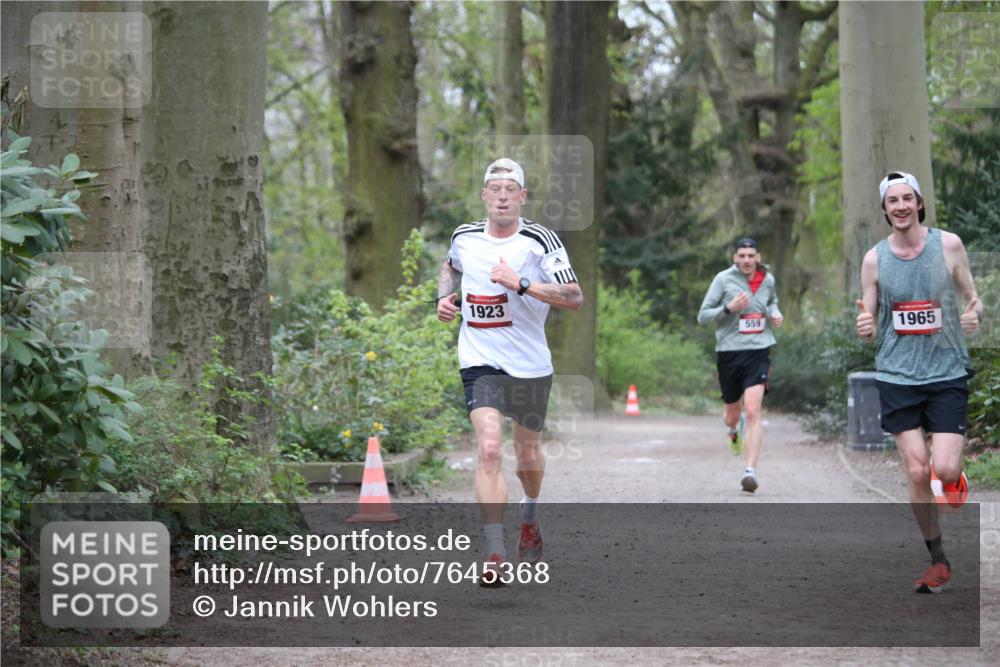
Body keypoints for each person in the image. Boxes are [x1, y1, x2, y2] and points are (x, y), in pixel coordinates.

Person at [437, 158, 583, 586]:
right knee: (487, 449)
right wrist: (446, 299)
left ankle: (531, 516)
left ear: (522, 197)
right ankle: (495, 550)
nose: (502, 196)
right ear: (484, 196)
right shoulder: (464, 236)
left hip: (529, 365)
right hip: (479, 360)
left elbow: (574, 296)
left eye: (510, 189)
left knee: (528, 456)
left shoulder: (539, 240)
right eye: (494, 188)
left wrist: (520, 284)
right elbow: (450, 266)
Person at [856, 170, 982, 594]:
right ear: (885, 210)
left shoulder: (948, 245)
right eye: (893, 201)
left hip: (946, 371)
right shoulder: (875, 258)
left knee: (943, 467)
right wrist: (864, 324)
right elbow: (869, 317)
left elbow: (972, 297)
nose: (901, 206)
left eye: (907, 198)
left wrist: (974, 314)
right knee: (915, 469)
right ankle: (938, 560)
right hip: (896, 374)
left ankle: (953, 479)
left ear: (919, 202)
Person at [697, 237, 783, 493]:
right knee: (732, 413)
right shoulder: (723, 280)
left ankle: (750, 471)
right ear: (734, 258)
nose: (746, 260)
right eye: (741, 256)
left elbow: (772, 301)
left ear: (758, 257)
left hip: (759, 350)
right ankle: (733, 430)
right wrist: (728, 308)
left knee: (754, 410)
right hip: (729, 353)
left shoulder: (767, 279)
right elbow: (703, 316)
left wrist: (775, 313)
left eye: (751, 256)